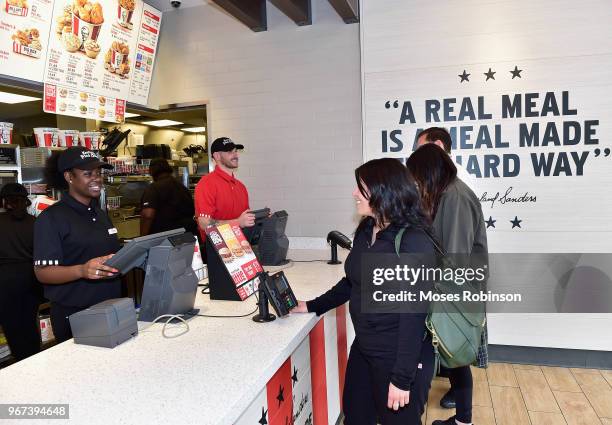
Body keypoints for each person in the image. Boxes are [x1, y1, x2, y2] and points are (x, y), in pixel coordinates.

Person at [293, 158, 436, 425]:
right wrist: (312, 305)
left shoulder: (414, 241)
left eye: (361, 187)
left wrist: (402, 379)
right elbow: (353, 281)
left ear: (384, 191)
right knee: (356, 416)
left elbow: (413, 314)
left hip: (398, 356)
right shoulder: (367, 229)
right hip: (365, 347)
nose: (354, 193)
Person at [407, 141, 488, 425]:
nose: (414, 183)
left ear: (428, 172)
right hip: (451, 289)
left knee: (456, 354)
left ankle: (463, 420)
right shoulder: (446, 194)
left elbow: (455, 256)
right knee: (454, 356)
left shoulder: (454, 197)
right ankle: (463, 420)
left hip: (455, 292)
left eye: (416, 176)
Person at [34, 147, 121, 343]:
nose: (96, 178)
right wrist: (82, 270)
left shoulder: (99, 214)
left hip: (111, 306)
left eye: (98, 173)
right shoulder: (52, 218)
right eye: (88, 174)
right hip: (76, 314)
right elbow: (43, 272)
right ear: (69, 177)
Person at [0, 183, 41, 361]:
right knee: (30, 324)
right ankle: (35, 361)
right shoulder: (36, 223)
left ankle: (22, 365)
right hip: (32, 278)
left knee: (13, 329)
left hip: (5, 282)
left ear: (4, 201)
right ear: (26, 201)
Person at [194, 137, 255, 235]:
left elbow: (245, 218)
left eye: (235, 151)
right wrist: (238, 222)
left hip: (241, 244)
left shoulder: (240, 186)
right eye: (230, 152)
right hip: (217, 247)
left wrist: (261, 218)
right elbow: (204, 223)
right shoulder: (206, 184)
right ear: (217, 156)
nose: (235, 155)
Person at [140, 158, 197, 237]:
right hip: (186, 236)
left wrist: (142, 238)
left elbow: (148, 215)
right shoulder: (183, 188)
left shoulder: (153, 188)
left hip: (163, 238)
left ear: (152, 171)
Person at [416, 126, 477, 191]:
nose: (418, 154)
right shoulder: (437, 174)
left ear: (438, 145)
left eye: (421, 148)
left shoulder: (458, 176)